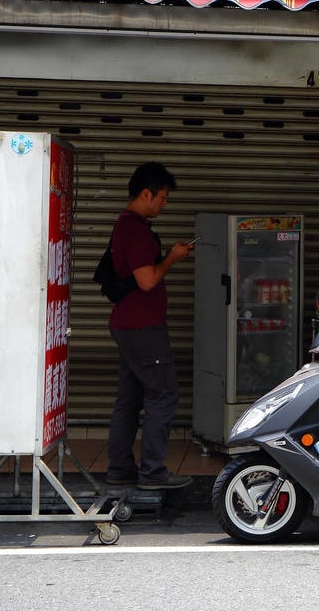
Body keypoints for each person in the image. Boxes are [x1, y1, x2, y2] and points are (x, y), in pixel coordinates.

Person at [105, 162, 195, 491]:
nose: (164, 204)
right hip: (143, 327)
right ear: (147, 194)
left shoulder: (125, 225)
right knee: (163, 394)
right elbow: (147, 281)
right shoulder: (136, 231)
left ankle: (120, 469)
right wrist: (172, 257)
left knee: (130, 398)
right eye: (163, 197)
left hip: (128, 324)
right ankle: (153, 473)